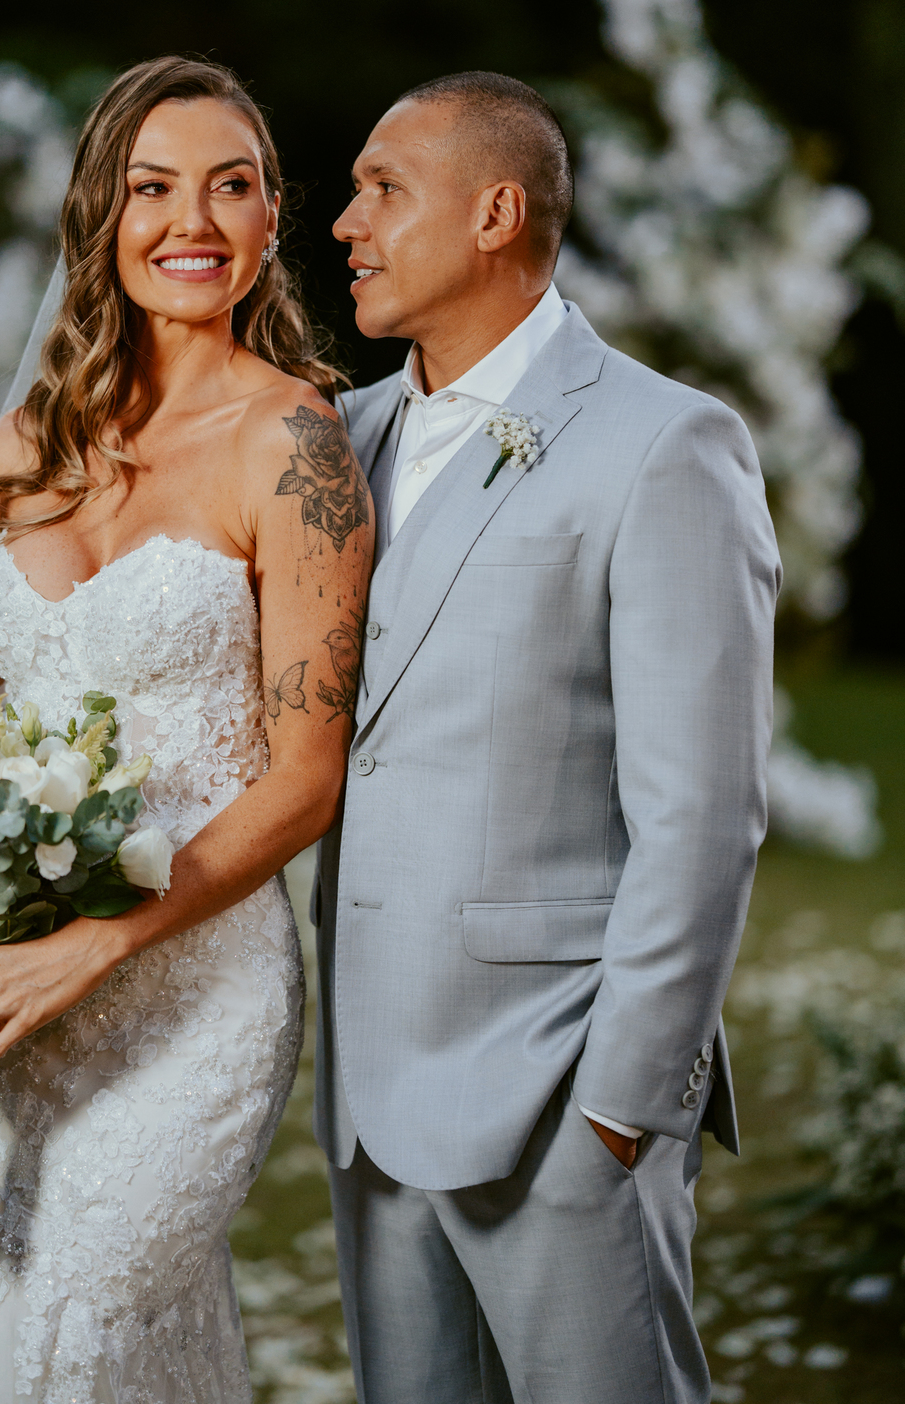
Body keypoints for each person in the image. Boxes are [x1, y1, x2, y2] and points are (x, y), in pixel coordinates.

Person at [0, 55, 372, 1404]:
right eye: (155, 188)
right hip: (16, 999)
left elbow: (306, 779)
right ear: (102, 215)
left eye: (233, 186)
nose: (194, 222)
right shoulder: (8, 457)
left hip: (193, 994)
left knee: (82, 1310)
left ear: (275, 218)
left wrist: (96, 947)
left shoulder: (295, 450)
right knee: (10, 1309)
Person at [315, 71, 780, 1403]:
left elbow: (706, 812)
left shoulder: (665, 445)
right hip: (370, 1101)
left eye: (381, 188)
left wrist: (623, 1107)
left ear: (494, 212)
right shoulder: (338, 443)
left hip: (561, 1094)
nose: (345, 221)